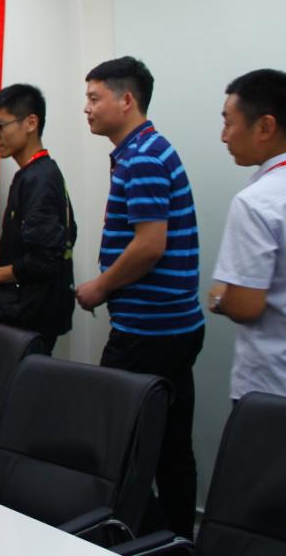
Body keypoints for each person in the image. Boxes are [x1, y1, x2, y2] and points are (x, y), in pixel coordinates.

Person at [75, 56, 204, 539]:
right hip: (170, 329)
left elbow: (150, 245)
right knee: (169, 449)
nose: (86, 108)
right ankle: (174, 540)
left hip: (149, 334)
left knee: (115, 444)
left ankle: (134, 538)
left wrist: (100, 286)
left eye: (95, 98)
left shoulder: (144, 157)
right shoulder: (143, 150)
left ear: (126, 100)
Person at [209, 69, 286, 401]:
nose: (224, 137)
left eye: (228, 123)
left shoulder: (258, 201)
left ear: (265, 126)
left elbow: (245, 306)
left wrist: (219, 298)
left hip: (275, 387)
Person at [0, 84, 76, 353]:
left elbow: (45, 259)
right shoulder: (36, 174)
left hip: (29, 318)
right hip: (27, 313)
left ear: (30, 123)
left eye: (0, 126)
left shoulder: (39, 179)